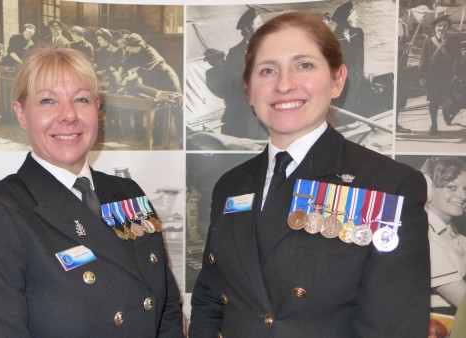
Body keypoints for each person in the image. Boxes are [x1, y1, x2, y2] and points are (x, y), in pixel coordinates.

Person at [189, 11, 430, 337]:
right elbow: (210, 300)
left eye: (304, 65)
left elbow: (393, 327)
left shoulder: (390, 185)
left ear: (337, 79)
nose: (284, 84)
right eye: (267, 70)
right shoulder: (231, 186)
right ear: (249, 89)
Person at [0, 45, 184, 337]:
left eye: (81, 99)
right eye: (48, 100)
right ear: (21, 114)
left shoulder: (128, 193)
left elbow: (167, 307)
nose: (68, 115)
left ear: (97, 110)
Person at [420, 157, 466, 315]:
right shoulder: (427, 236)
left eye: (465, 189)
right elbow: (463, 300)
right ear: (429, 190)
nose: (463, 196)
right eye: (452, 187)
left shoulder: (448, 228)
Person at [119, 33, 182, 145]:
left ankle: (182, 137)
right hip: (156, 80)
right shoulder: (135, 51)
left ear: (137, 45)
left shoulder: (149, 52)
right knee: (159, 110)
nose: (129, 49)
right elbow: (126, 63)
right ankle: (158, 139)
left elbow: (141, 72)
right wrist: (119, 74)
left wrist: (126, 80)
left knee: (177, 109)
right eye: (128, 47)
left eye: (131, 47)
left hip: (167, 79)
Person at [220, 7, 268, 140]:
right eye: (258, 24)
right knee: (252, 142)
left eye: (261, 23)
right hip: (246, 110)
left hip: (268, 106)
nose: (262, 26)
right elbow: (229, 83)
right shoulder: (235, 53)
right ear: (247, 30)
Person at [419, 14, 460, 134]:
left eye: (444, 26)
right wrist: (422, 76)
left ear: (448, 28)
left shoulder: (453, 41)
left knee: (451, 99)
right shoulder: (428, 41)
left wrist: (456, 74)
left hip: (449, 76)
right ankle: (434, 124)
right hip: (433, 77)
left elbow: (458, 58)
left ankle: (447, 113)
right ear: (435, 28)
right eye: (439, 26)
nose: (441, 28)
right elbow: (423, 60)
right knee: (434, 101)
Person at [330, 2, 365, 118]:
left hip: (360, 79)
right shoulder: (333, 39)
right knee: (347, 113)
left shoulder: (358, 33)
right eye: (354, 15)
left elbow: (361, 57)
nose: (357, 17)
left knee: (362, 107)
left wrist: (363, 72)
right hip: (344, 84)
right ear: (345, 18)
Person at [0, 23, 36, 123]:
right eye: (28, 33)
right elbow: (11, 52)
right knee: (7, 90)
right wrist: (21, 62)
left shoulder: (31, 43)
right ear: (23, 31)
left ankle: (17, 115)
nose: (29, 35)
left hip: (21, 67)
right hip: (11, 63)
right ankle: (6, 115)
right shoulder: (15, 38)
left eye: (31, 34)